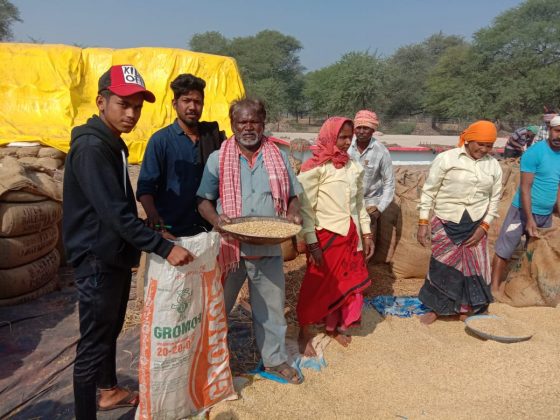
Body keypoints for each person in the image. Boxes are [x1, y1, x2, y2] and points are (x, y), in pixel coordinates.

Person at [62, 65, 194, 419]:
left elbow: (118, 209)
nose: (132, 114)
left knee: (109, 331)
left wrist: (150, 230)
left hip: (113, 254)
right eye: (123, 104)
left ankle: (108, 392)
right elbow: (114, 214)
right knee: (93, 344)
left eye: (137, 107)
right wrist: (164, 248)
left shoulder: (112, 143)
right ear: (101, 102)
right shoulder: (92, 148)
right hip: (96, 259)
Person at [197, 98, 304, 384]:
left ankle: (275, 360)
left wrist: (293, 213)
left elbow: (293, 196)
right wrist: (218, 221)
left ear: (263, 123)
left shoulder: (278, 156)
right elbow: (203, 200)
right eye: (241, 122)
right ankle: (211, 361)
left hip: (268, 248)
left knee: (271, 311)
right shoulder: (218, 158)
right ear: (233, 125)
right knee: (218, 309)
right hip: (229, 250)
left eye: (253, 121)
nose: (248, 127)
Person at [296, 117, 374, 356]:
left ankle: (333, 327)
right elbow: (306, 208)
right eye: (342, 137)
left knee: (347, 286)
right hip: (325, 237)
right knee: (317, 286)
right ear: (329, 136)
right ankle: (304, 330)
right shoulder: (315, 168)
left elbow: (359, 204)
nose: (347, 142)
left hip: (350, 237)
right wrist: (312, 243)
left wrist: (366, 233)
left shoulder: (353, 167)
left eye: (350, 137)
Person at [416, 120, 502, 325]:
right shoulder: (447, 158)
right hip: (446, 220)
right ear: (469, 140)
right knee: (442, 265)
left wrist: (484, 227)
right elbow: (429, 191)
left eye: (489, 145)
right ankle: (437, 309)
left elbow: (495, 199)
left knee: (473, 269)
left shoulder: (493, 165)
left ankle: (466, 308)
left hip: (476, 224)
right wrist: (423, 221)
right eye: (480, 144)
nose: (484, 149)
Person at [137, 73, 225, 237]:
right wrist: (155, 219)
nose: (192, 107)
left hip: (210, 229)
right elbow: (145, 187)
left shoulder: (212, 137)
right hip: (173, 230)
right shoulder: (160, 141)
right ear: (174, 104)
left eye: (197, 102)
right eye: (186, 101)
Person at [491, 115, 560, 296]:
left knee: (534, 251)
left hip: (545, 214)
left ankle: (526, 286)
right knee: (505, 249)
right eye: (557, 131)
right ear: (549, 130)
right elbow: (525, 187)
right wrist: (529, 219)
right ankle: (494, 288)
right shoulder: (535, 152)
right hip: (522, 211)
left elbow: (558, 186)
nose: (559, 136)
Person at [348, 109, 395, 239]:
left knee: (367, 243)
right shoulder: (346, 147)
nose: (361, 131)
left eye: (366, 128)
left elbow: (389, 183)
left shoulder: (381, 151)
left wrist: (379, 209)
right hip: (347, 203)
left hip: (369, 206)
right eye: (358, 127)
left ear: (373, 130)